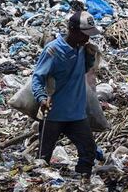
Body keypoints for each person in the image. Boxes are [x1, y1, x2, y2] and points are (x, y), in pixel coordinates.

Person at [31, 10, 100, 178]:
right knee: (43, 157)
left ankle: (82, 183)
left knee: (88, 150)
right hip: (54, 114)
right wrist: (41, 98)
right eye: (84, 34)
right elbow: (37, 78)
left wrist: (90, 58)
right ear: (73, 30)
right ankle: (41, 188)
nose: (87, 38)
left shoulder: (82, 48)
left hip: (76, 113)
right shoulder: (53, 51)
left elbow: (80, 71)